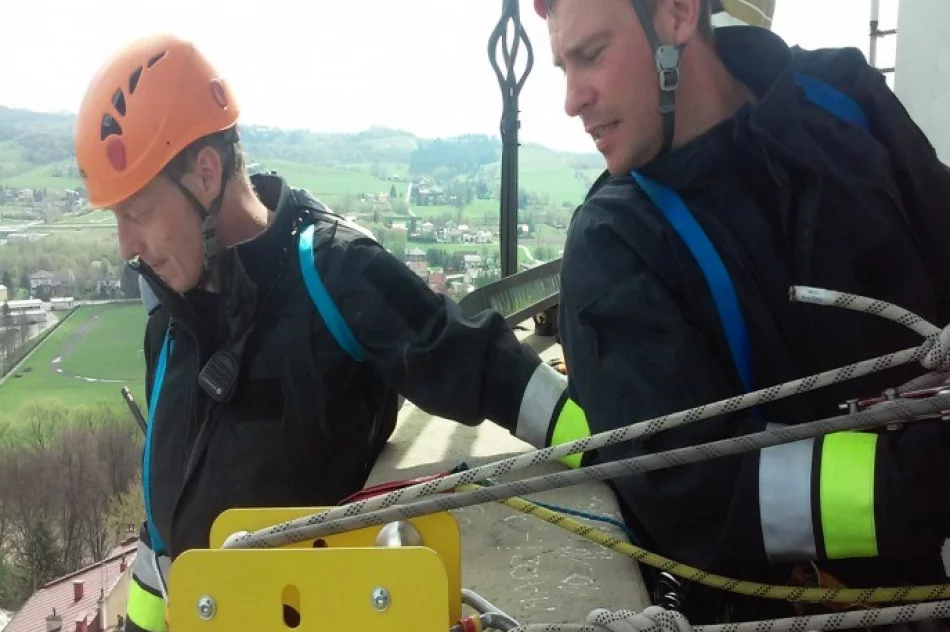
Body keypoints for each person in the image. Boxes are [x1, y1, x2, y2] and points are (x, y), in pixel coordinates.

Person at [73, 34, 587, 632]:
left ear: (206, 175)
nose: (125, 247)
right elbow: (165, 527)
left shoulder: (332, 273)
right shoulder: (169, 323)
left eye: (136, 214)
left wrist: (606, 442)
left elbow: (478, 364)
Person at [534, 0, 950, 625]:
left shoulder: (842, 99)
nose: (571, 99)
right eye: (563, 66)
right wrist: (927, 482)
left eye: (590, 55)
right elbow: (700, 495)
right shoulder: (615, 247)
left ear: (676, 15)